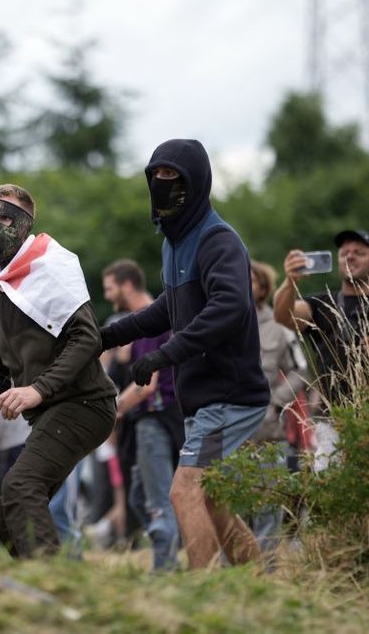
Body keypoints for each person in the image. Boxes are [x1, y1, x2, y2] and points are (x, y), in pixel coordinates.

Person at [99, 139, 269, 570]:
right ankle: (259, 586)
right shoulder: (174, 244)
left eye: (173, 177)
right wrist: (107, 337)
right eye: (156, 176)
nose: (162, 184)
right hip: (204, 399)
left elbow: (229, 307)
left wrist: (165, 355)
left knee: (184, 490)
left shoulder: (217, 240)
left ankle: (206, 594)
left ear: (196, 183)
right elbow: (165, 310)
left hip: (228, 394)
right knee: (212, 499)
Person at [0, 183, 116, 558]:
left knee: (21, 488)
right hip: (50, 412)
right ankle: (38, 588)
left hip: (86, 404)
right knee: (8, 515)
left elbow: (88, 339)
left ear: (24, 223)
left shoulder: (53, 267)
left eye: (3, 217)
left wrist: (38, 389)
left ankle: (53, 586)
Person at [103, 259, 184, 571]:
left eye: (111, 289)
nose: (109, 297)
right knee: (140, 496)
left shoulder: (151, 321)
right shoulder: (142, 323)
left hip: (155, 419)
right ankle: (176, 550)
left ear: (126, 285)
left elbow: (145, 387)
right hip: (149, 422)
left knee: (156, 501)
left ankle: (165, 567)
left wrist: (110, 412)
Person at [274, 230, 369, 410]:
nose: (350, 257)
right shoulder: (321, 304)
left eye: (359, 253)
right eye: (344, 253)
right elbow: (283, 316)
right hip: (333, 418)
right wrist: (290, 281)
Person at [246, 260, 309, 554]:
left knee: (268, 506)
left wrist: (275, 400)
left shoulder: (279, 329)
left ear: (263, 289)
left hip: (268, 431)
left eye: (250, 279)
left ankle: (266, 574)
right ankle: (224, 575)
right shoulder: (218, 319)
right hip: (224, 430)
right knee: (227, 504)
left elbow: (301, 369)